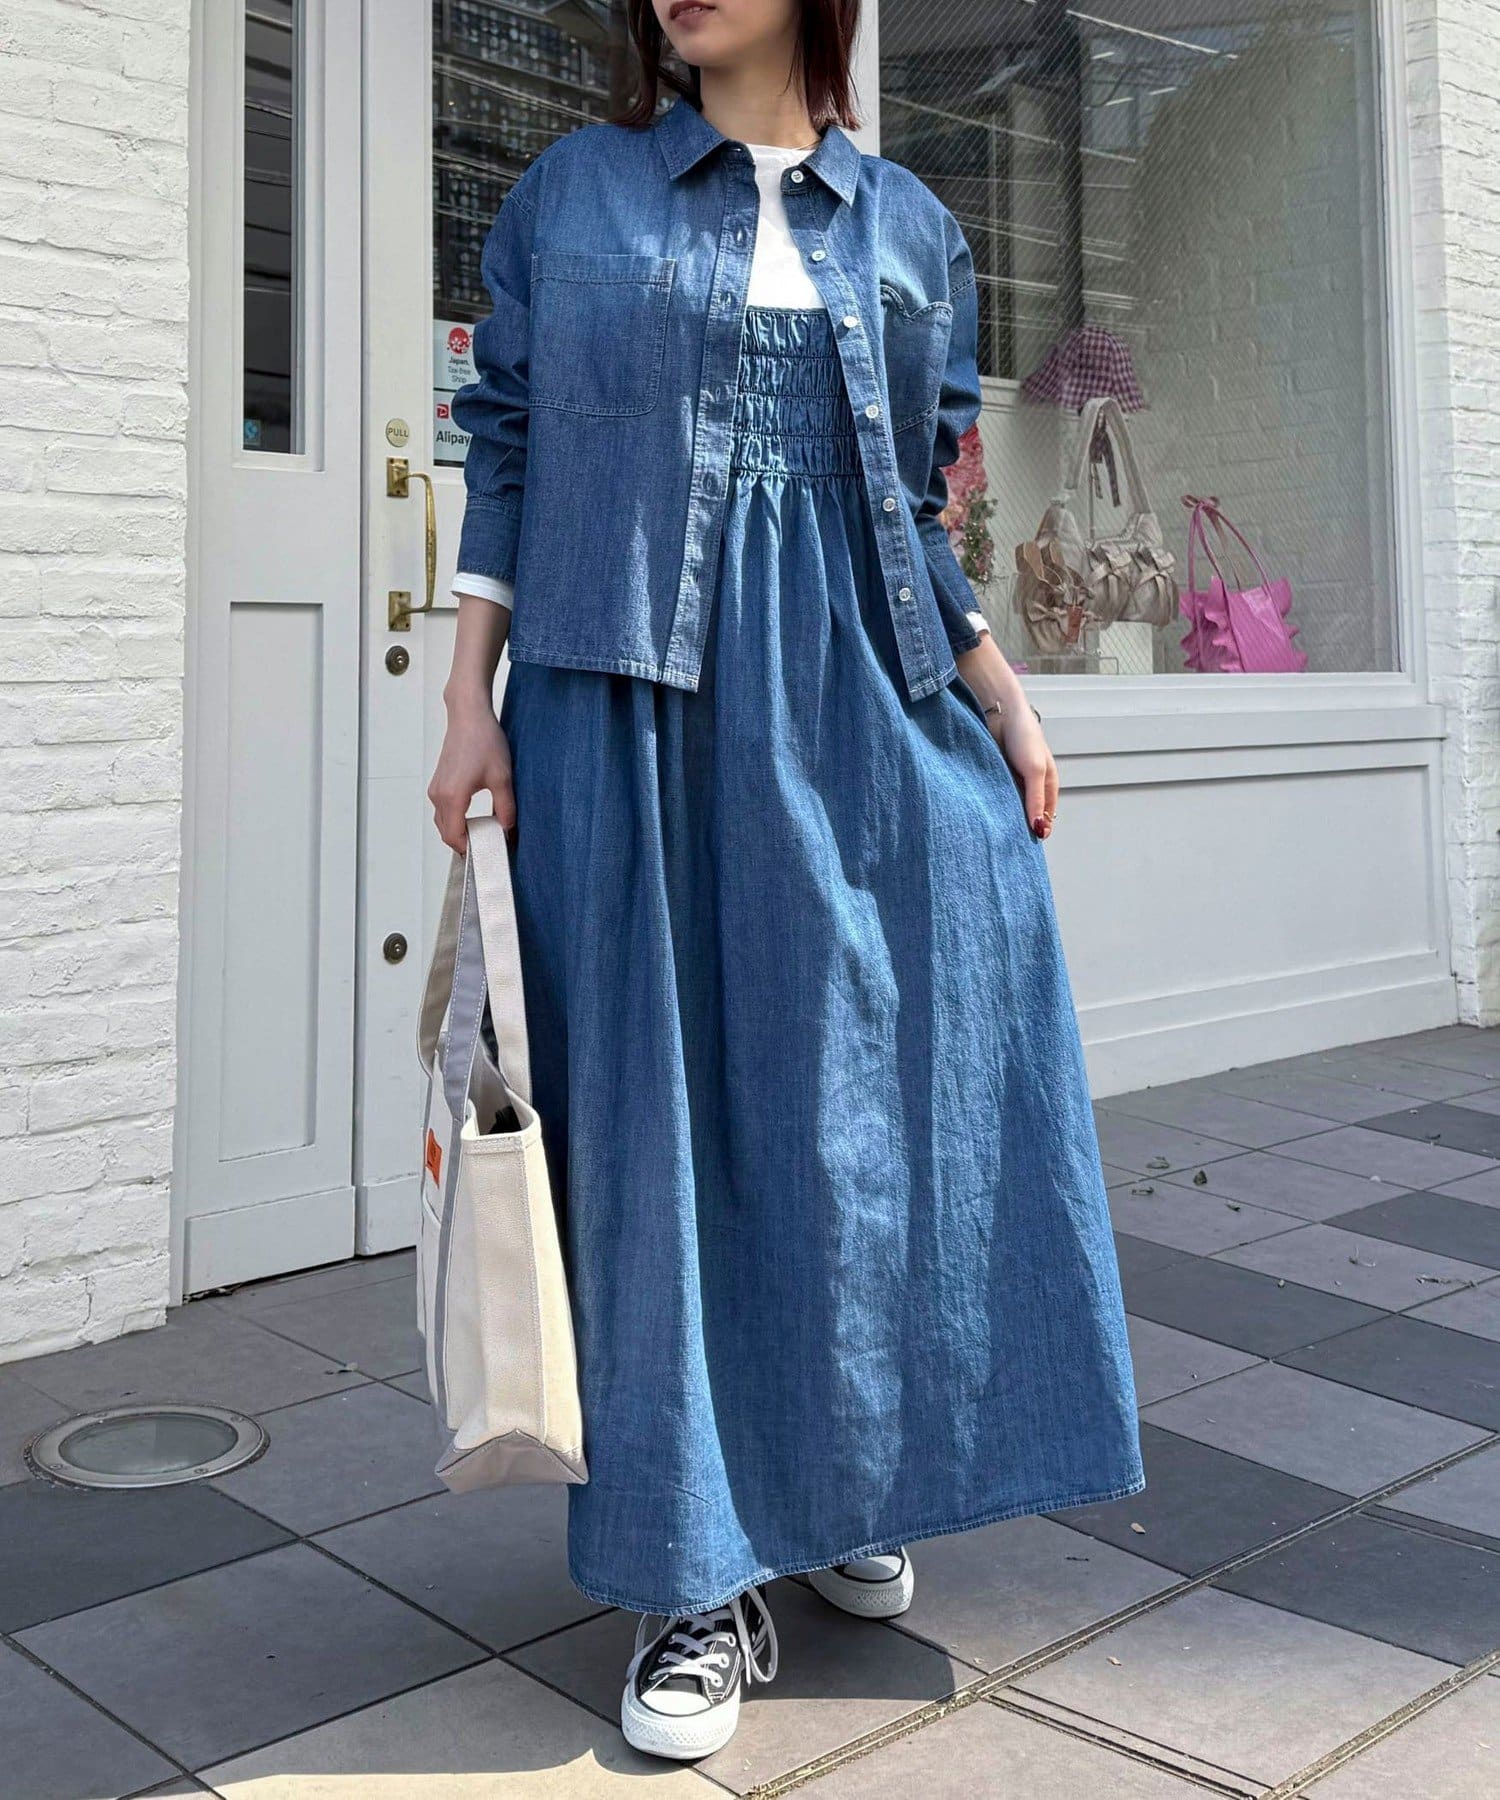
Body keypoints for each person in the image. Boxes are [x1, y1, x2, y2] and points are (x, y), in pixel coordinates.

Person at [429, 0, 1142, 1764]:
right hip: (626, 702)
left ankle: (835, 1478)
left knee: (855, 1104)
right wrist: (468, 700)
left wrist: (1005, 696)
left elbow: (916, 510)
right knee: (660, 1122)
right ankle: (692, 1570)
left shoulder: (911, 224)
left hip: (855, 700)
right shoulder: (576, 193)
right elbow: (506, 443)